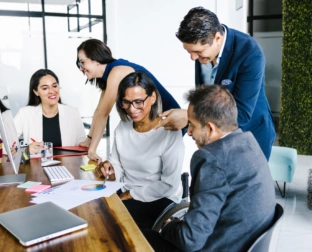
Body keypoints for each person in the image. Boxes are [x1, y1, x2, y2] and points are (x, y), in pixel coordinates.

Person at [144, 85, 276, 252]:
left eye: (191, 125)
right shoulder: (248, 142)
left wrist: (168, 226)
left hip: (219, 246)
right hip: (241, 241)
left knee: (141, 236)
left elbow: (189, 240)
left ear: (210, 128)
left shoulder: (212, 159)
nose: (189, 132)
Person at [155, 7, 276, 160]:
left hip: (250, 136)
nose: (193, 58)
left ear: (217, 38)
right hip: (214, 138)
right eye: (189, 52)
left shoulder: (250, 52)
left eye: (198, 52)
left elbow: (243, 114)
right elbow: (205, 99)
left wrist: (188, 117)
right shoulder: (203, 52)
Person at [96, 71, 184, 230]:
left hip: (158, 197)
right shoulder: (123, 126)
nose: (132, 109)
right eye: (126, 102)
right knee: (96, 213)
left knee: (111, 224)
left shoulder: (169, 131)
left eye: (138, 101)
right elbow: (117, 164)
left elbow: (169, 185)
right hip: (126, 191)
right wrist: (111, 169)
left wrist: (131, 194)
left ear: (153, 98)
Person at [76, 39, 181, 162]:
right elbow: (99, 110)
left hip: (169, 119)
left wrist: (92, 150)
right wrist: (89, 140)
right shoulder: (110, 74)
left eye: (82, 62)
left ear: (96, 59)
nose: (81, 68)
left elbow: (103, 114)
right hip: (153, 121)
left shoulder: (117, 71)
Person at [14, 69, 86, 155]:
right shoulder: (25, 114)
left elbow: (83, 147)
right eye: (45, 88)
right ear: (36, 92)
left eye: (54, 86)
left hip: (67, 165)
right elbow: (5, 144)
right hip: (36, 167)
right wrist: (25, 150)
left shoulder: (73, 113)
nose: (52, 91)